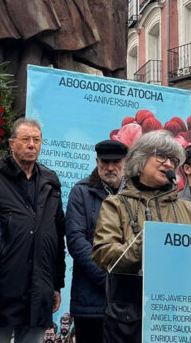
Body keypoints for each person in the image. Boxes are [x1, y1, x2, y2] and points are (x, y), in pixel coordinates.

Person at [92, 130, 191, 343]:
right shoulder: (115, 205)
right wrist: (146, 245)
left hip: (180, 316)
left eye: (173, 159)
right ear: (141, 159)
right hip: (129, 318)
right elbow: (104, 254)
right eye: (161, 156)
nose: (169, 164)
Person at [0, 118, 66, 343]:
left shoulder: (50, 181)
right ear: (12, 144)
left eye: (36, 140)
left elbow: (58, 236)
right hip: (1, 290)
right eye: (26, 139)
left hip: (40, 289)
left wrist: (56, 284)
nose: (32, 145)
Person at [65, 139, 127, 343]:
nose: (110, 167)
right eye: (104, 162)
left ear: (125, 162)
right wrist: (108, 279)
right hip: (90, 300)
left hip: (128, 302)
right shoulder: (81, 192)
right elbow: (76, 241)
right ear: (96, 161)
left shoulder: (134, 195)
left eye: (115, 162)